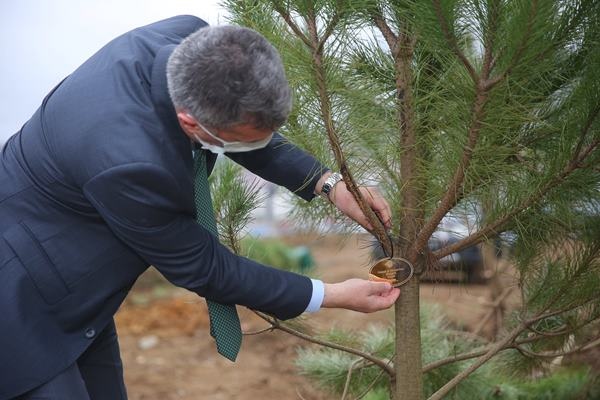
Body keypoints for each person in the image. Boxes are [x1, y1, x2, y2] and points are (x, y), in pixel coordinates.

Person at [0, 15, 399, 400]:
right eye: (241, 140)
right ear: (191, 123)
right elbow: (205, 267)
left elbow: (245, 132)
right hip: (22, 297)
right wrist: (330, 294)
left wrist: (330, 184)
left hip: (83, 282)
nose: (256, 145)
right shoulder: (130, 165)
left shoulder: (193, 45)